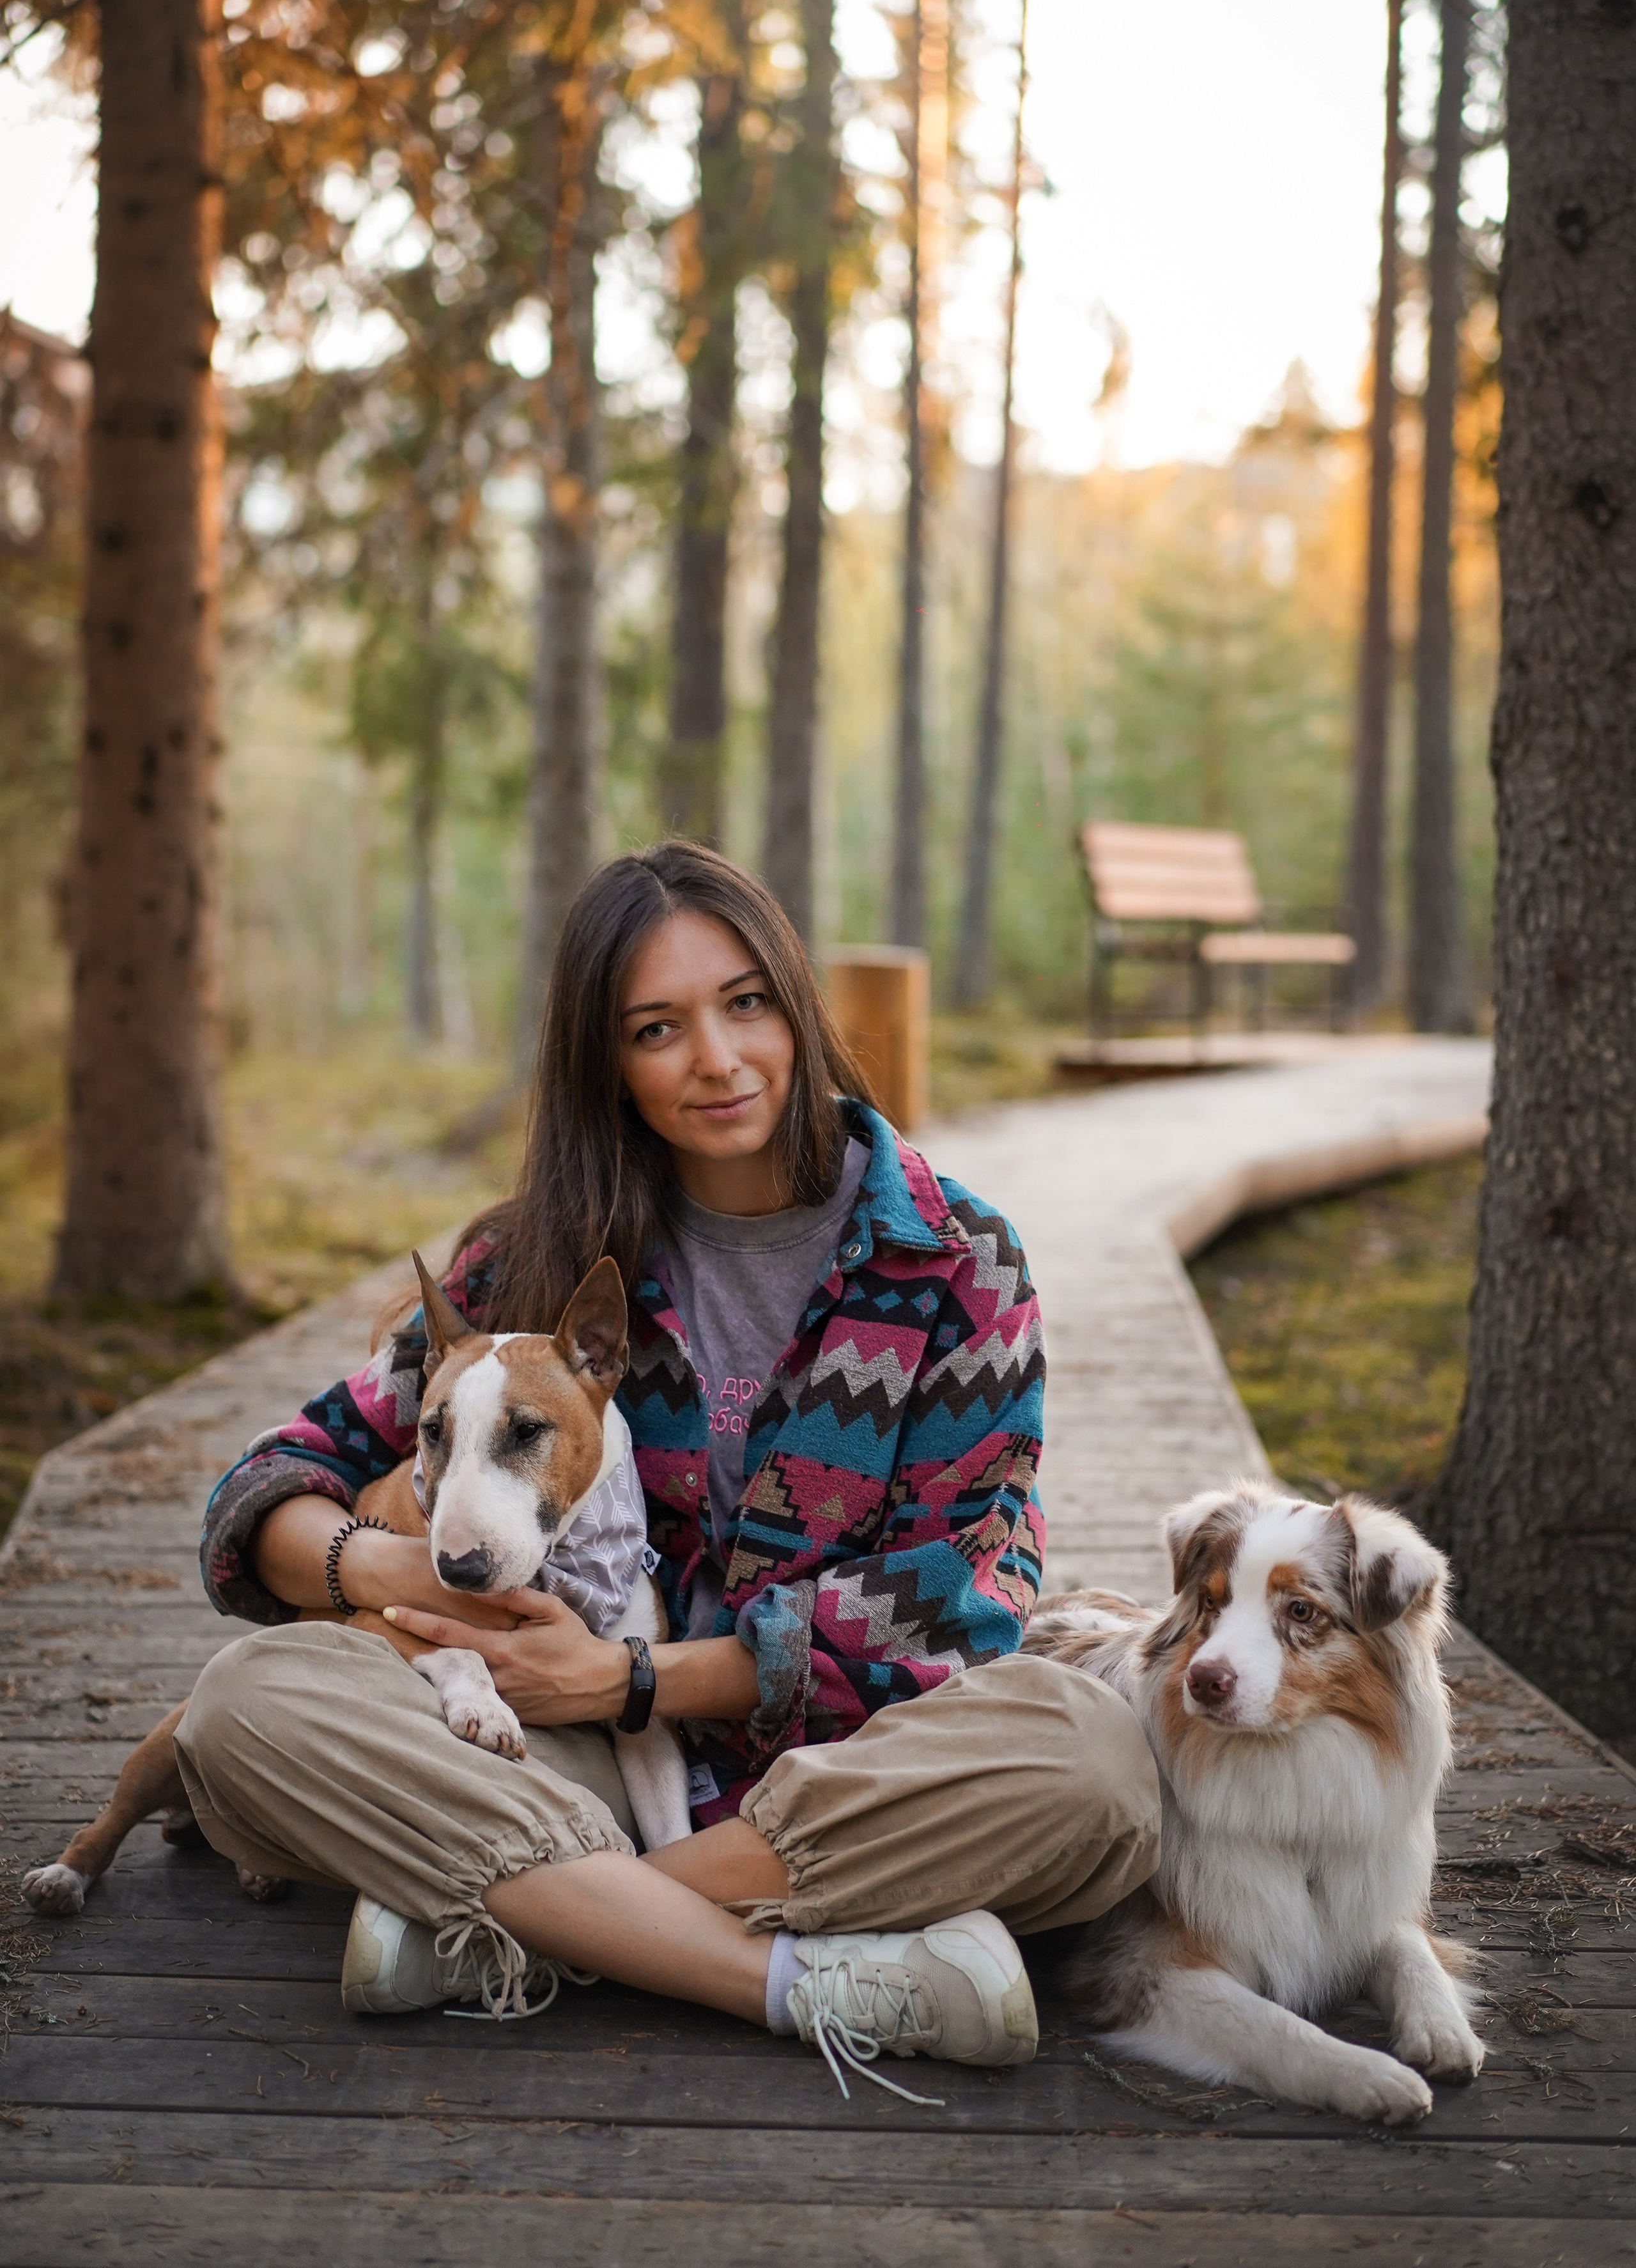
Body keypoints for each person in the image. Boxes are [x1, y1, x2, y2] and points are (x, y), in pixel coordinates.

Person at [181, 841, 1159, 2097]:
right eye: (657, 1027)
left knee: (1097, 1766)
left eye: (744, 1002)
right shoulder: (525, 1266)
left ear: (795, 1004)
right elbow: (266, 1484)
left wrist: (630, 1679)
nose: (716, 1057)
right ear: (607, 1061)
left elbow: (963, 1594)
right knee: (245, 1706)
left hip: (859, 1769)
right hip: (551, 1754)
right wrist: (398, 1562)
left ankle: (523, 1922)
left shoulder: (955, 1260)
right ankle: (799, 1972)